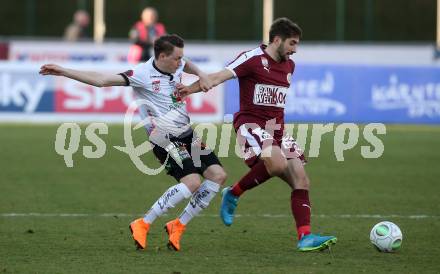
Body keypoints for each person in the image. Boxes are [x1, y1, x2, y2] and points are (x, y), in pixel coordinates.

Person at [39, 34, 227, 251]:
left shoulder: (176, 64)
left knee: (218, 175)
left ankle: (178, 225)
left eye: (181, 58)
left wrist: (202, 73)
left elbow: (188, 65)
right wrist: (63, 71)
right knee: (192, 182)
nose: (180, 63)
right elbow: (102, 80)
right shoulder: (142, 74)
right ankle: (143, 223)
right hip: (163, 137)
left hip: (186, 133)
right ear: (162, 56)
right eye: (176, 58)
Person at [177, 18, 337, 252]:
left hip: (277, 129)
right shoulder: (252, 58)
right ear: (277, 40)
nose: (295, 50)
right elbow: (218, 77)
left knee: (301, 180)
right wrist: (188, 91)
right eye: (292, 43)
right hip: (250, 123)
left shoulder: (289, 66)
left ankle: (305, 237)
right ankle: (232, 194)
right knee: (277, 163)